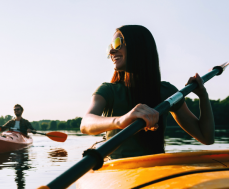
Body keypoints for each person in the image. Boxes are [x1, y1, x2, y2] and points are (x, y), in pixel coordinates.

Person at [80, 25, 215, 159]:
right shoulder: (108, 90)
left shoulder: (167, 92)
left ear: (138, 47)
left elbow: (206, 138)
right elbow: (85, 124)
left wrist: (203, 95)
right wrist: (121, 120)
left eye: (117, 44)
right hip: (115, 170)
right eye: (110, 47)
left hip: (154, 168)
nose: (112, 52)